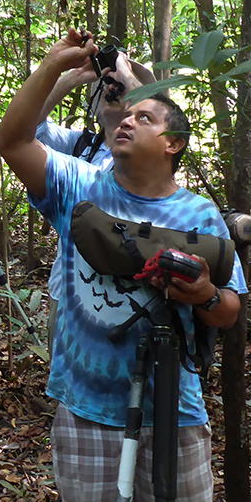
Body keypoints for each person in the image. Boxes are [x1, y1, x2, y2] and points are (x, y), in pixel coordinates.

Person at [0, 29, 246, 502]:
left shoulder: (200, 216)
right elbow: (11, 141)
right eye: (122, 113)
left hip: (173, 398)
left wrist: (204, 296)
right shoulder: (81, 186)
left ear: (174, 143)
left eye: (144, 114)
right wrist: (55, 66)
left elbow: (231, 309)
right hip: (87, 393)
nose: (126, 119)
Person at [35, 52, 154, 358]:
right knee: (68, 394)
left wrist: (126, 72)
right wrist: (73, 78)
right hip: (68, 292)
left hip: (129, 297)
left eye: (122, 87)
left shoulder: (153, 152)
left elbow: (163, 119)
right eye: (106, 85)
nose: (112, 88)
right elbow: (29, 128)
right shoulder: (80, 145)